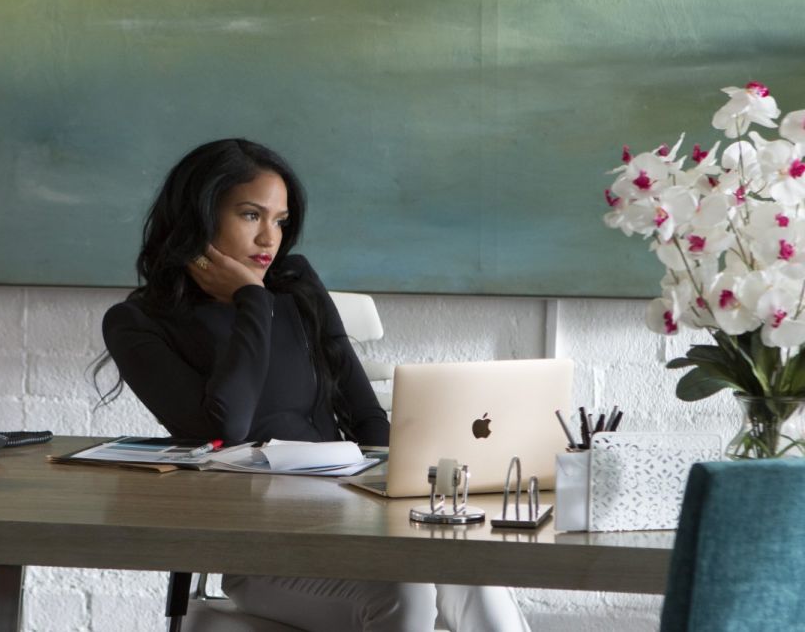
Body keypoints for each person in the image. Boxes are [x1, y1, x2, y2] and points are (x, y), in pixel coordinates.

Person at [97, 138, 531, 632]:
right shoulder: (137, 323)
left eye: (280, 221)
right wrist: (251, 300)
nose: (269, 238)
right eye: (250, 215)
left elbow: (366, 416)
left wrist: (403, 499)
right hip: (258, 554)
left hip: (352, 525)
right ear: (200, 213)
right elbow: (225, 427)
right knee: (405, 591)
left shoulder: (295, 282)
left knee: (471, 568)